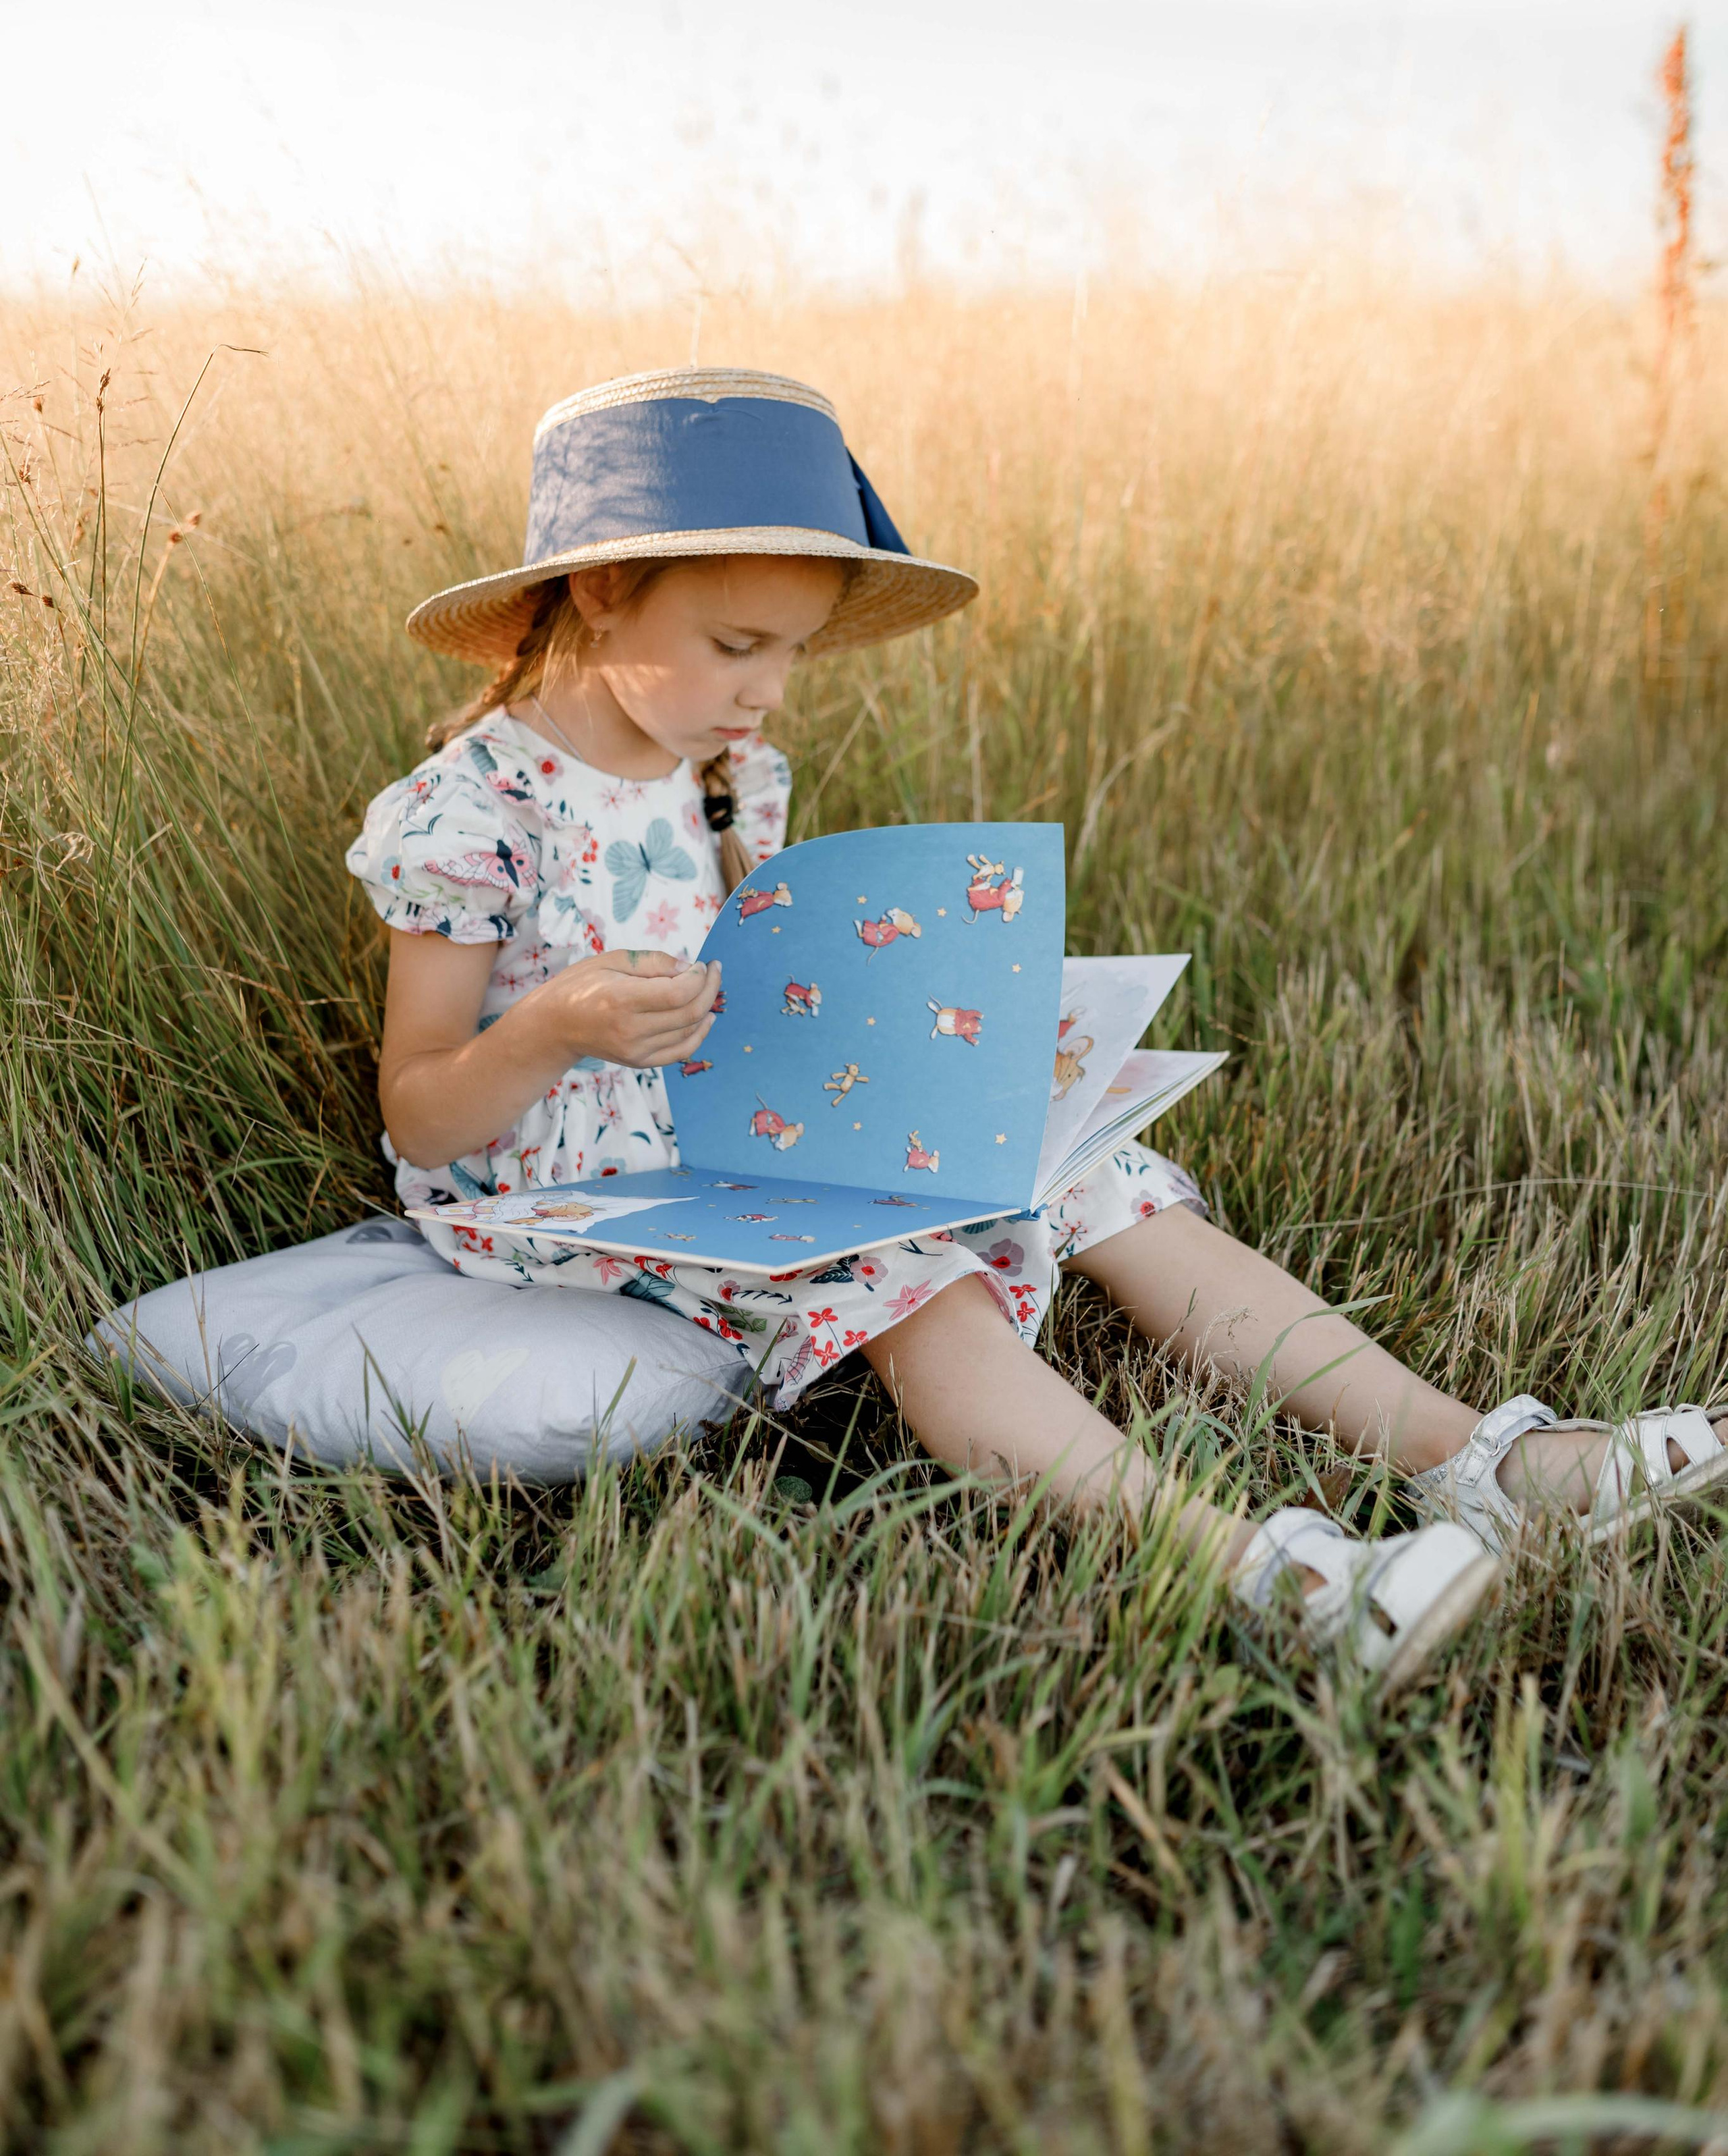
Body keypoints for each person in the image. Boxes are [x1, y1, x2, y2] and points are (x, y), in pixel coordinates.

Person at [347, 368, 1728, 1690]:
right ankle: (1265, 1577)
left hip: (736, 1117)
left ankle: (1472, 1458)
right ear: (598, 587)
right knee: (906, 1277)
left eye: (792, 653)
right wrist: (560, 1026)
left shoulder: (726, 772)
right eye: (734, 646)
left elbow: (753, 981)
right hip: (575, 1190)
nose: (767, 690)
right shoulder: (473, 814)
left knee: (1087, 1168)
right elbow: (420, 1109)